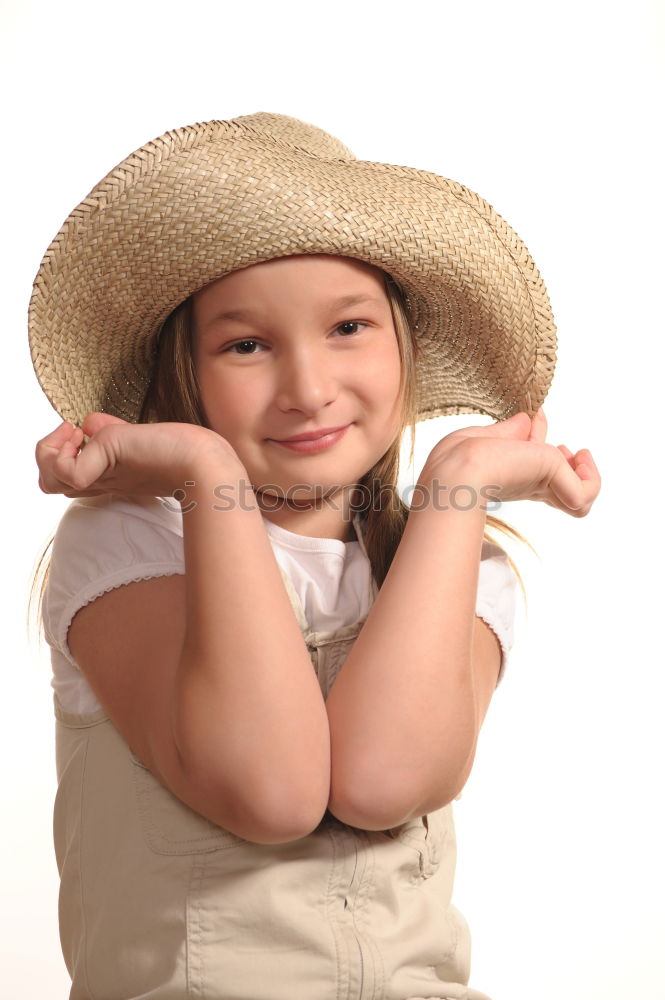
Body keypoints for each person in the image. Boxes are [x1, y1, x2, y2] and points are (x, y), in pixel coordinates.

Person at [29, 112, 600, 1000]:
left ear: (403, 344)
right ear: (186, 370)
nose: (307, 388)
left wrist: (458, 481)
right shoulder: (133, 540)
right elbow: (273, 793)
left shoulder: (457, 560)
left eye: (347, 328)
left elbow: (380, 779)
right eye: (246, 345)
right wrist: (204, 470)